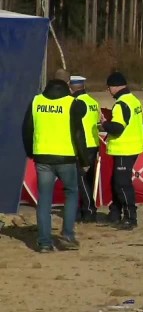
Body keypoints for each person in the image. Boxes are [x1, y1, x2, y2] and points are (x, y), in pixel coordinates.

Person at [22, 78, 90, 252]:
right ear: (67, 88)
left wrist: (31, 152)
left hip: (43, 157)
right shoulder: (71, 103)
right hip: (66, 157)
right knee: (71, 193)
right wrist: (84, 160)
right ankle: (67, 234)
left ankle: (44, 242)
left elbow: (27, 128)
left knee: (44, 199)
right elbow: (78, 133)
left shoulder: (37, 101)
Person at [101, 71, 143, 230]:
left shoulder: (120, 104)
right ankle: (115, 212)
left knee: (121, 183)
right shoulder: (134, 100)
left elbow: (117, 128)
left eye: (109, 88)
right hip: (133, 146)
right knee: (117, 181)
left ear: (114, 86)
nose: (108, 91)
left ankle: (130, 217)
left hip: (123, 147)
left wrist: (104, 123)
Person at [69, 75, 101, 223]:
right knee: (88, 179)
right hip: (93, 143)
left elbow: (76, 128)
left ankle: (89, 210)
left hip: (83, 145)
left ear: (71, 88)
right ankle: (86, 209)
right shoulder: (92, 102)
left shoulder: (77, 103)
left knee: (81, 180)